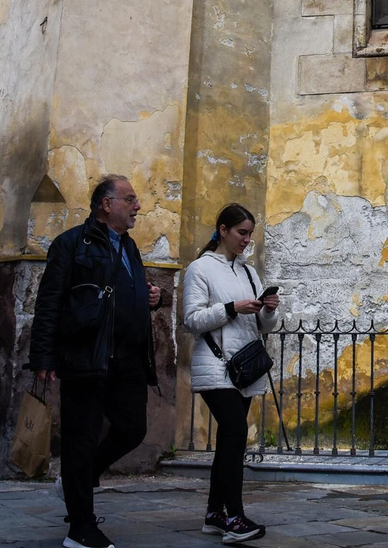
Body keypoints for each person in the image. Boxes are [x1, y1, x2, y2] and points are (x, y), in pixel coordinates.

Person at [29, 175, 161, 548]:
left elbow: (125, 293)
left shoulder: (130, 247)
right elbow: (50, 302)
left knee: (133, 428)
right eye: (130, 199)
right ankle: (81, 528)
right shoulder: (70, 244)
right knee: (80, 439)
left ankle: (79, 479)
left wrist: (152, 298)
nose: (137, 206)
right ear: (107, 204)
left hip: (129, 359)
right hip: (86, 356)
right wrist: (42, 355)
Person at [182, 204, 282, 545]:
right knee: (237, 433)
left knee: (228, 440)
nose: (246, 239)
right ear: (223, 230)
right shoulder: (200, 268)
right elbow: (191, 320)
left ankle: (214, 513)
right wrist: (231, 308)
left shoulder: (249, 272)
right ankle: (234, 517)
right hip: (215, 365)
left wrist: (267, 311)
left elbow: (262, 327)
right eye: (241, 232)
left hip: (244, 368)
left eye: (250, 233)